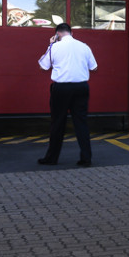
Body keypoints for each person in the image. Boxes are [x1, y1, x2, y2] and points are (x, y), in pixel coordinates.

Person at [37, 23, 98, 166]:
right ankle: (86, 158)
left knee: (58, 123)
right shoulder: (84, 46)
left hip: (61, 88)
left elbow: (43, 66)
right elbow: (94, 67)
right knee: (81, 123)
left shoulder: (54, 47)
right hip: (81, 87)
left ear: (57, 34)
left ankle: (51, 158)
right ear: (71, 33)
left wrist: (50, 45)